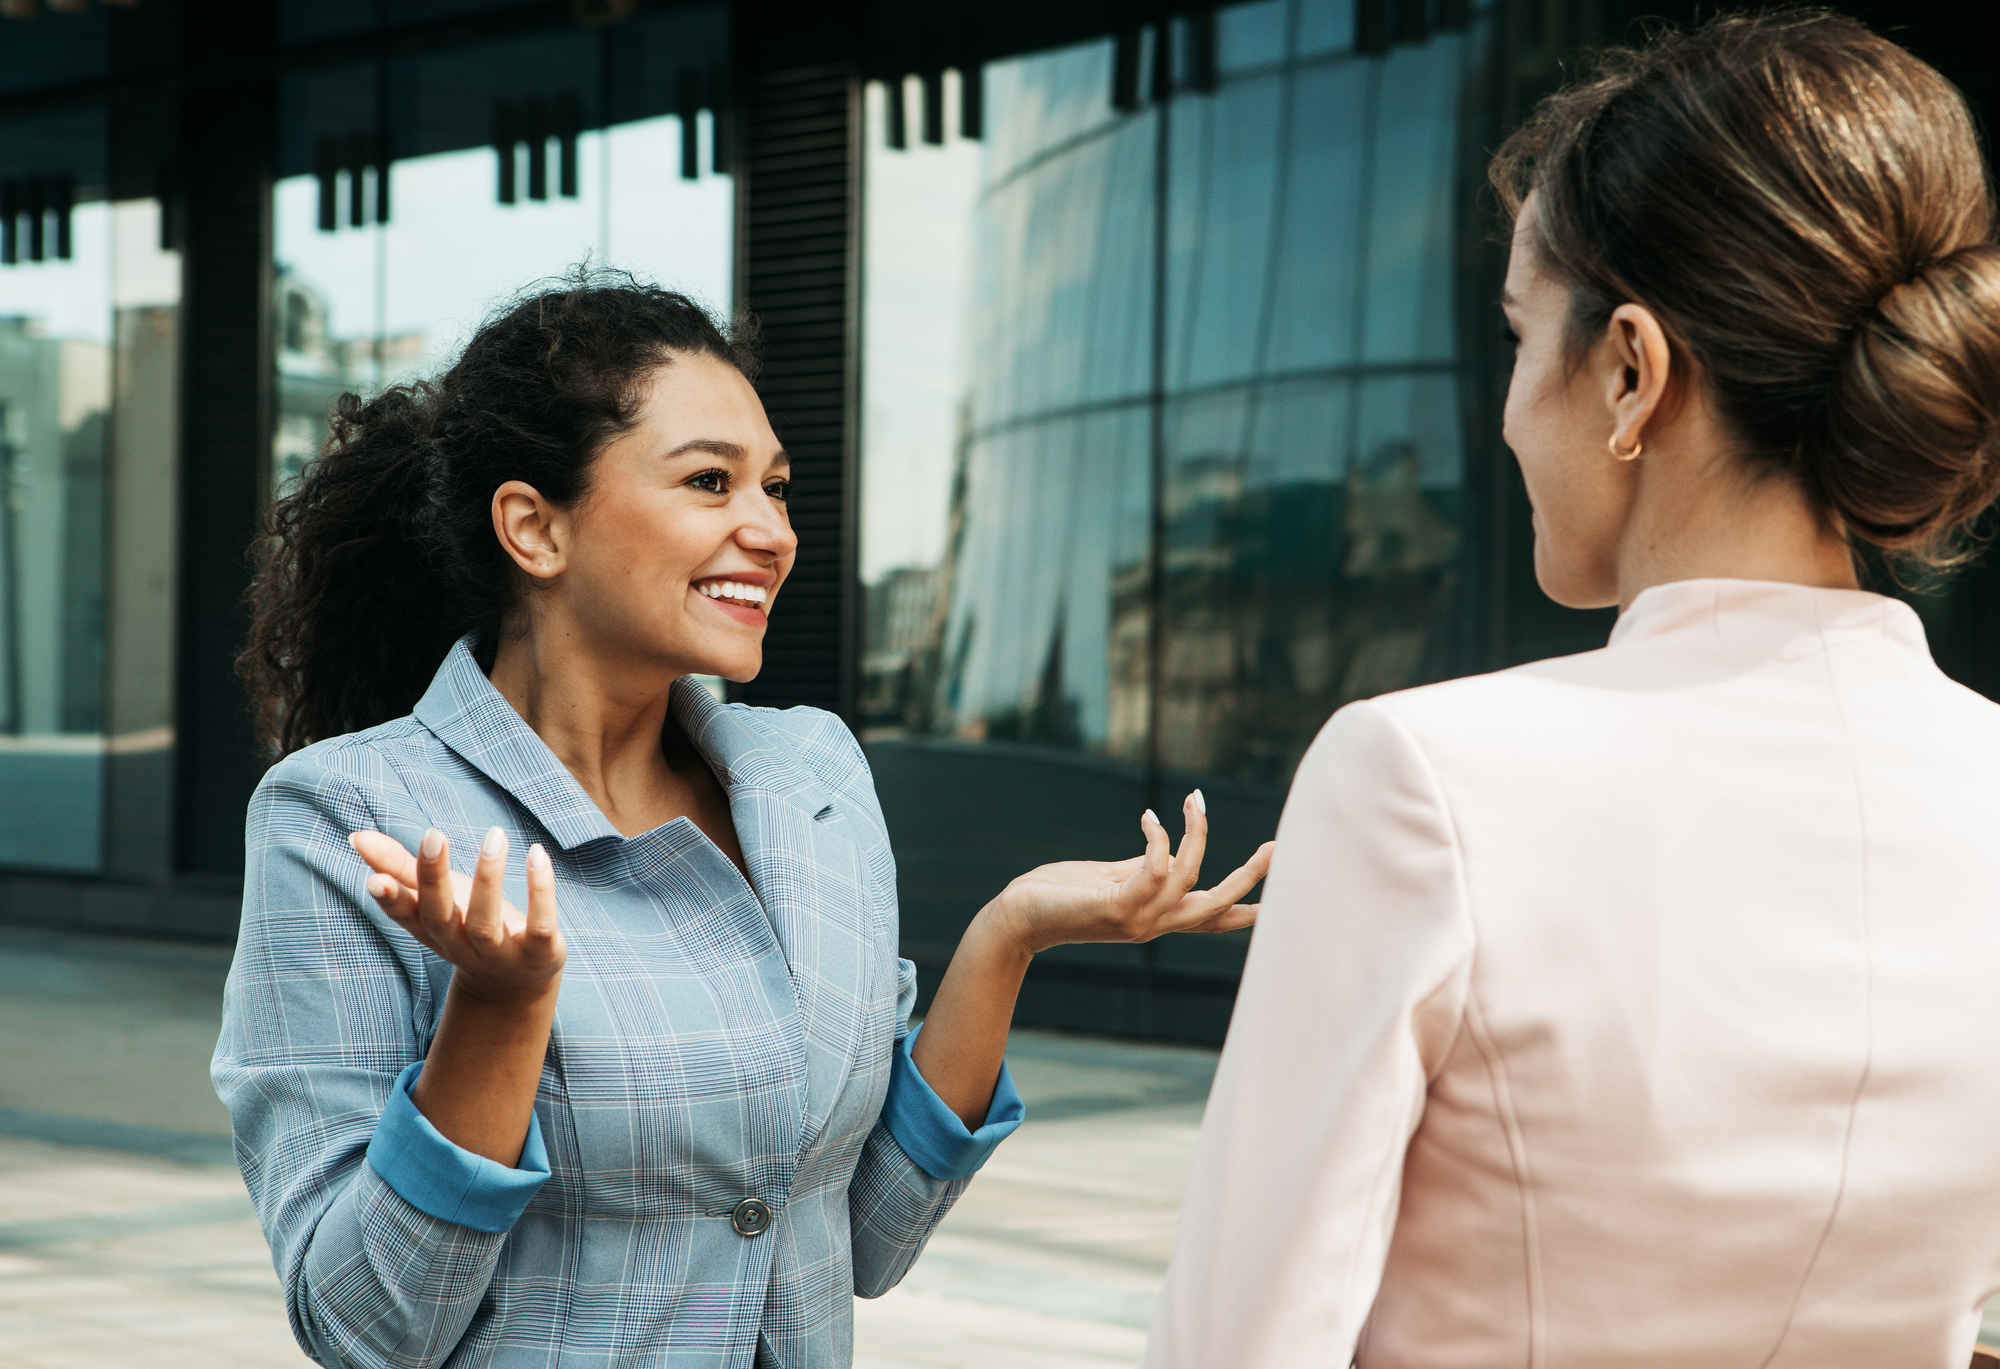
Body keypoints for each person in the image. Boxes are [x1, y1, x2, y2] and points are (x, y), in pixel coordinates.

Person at [1144, 12, 2000, 1368]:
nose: (1503, 412)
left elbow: (1238, 1343)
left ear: (1627, 371)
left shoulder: (1419, 779)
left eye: (1518, 333)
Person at [214, 274, 1270, 1369]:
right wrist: (499, 1005)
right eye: (710, 482)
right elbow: (364, 1326)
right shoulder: (351, 817)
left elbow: (863, 1234)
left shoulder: (809, 775)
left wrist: (1009, 934)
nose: (769, 530)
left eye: (775, 487)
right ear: (535, 528)